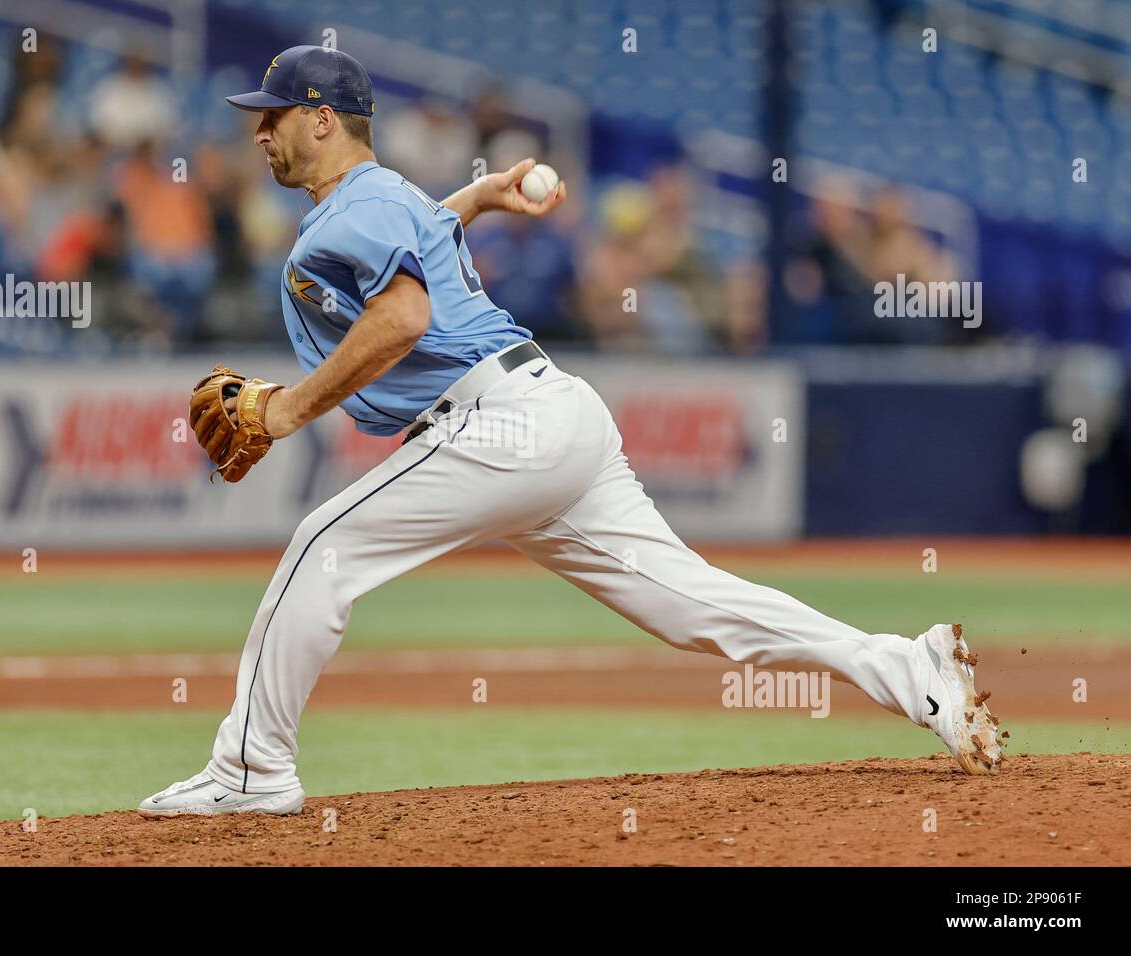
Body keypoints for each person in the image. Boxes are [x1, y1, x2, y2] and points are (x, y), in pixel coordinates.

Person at [139, 46, 1001, 817]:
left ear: (323, 119)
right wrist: (475, 196)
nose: (258, 133)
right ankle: (908, 668)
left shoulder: (353, 212)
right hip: (557, 416)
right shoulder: (385, 196)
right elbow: (424, 241)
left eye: (274, 116)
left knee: (321, 548)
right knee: (693, 606)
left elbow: (401, 316)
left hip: (498, 426)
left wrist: (286, 409)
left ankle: (252, 768)